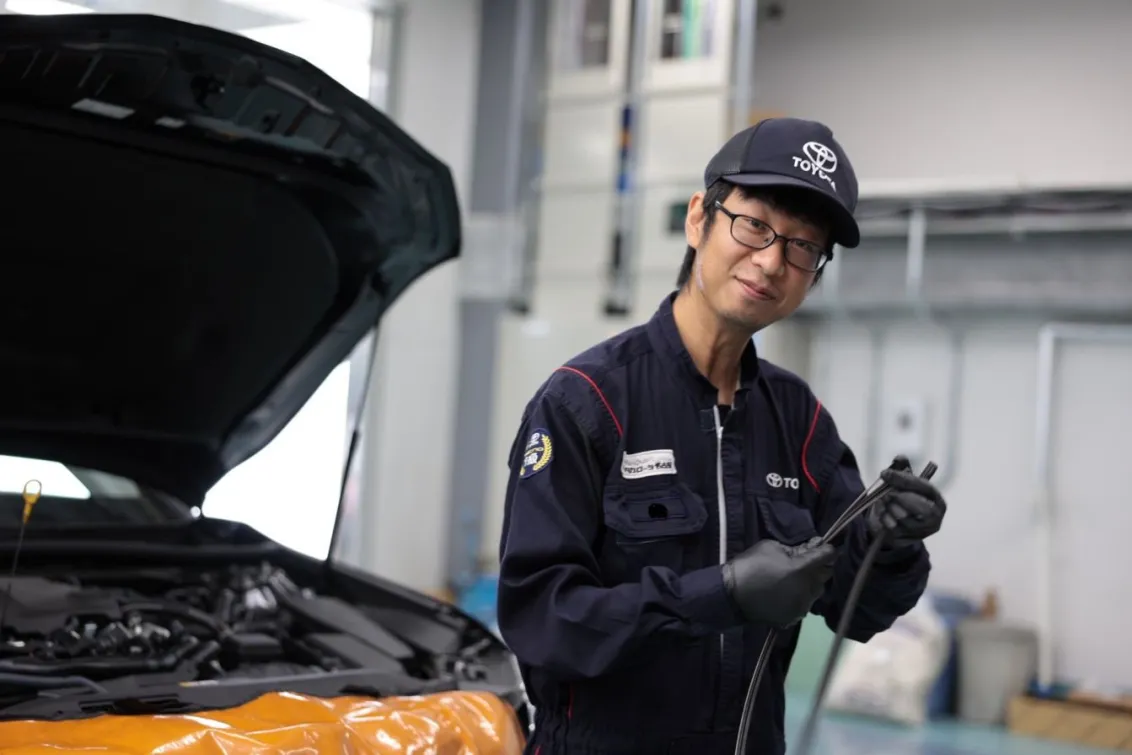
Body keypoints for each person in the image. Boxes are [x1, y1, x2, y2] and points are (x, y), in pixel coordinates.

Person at [496, 117, 947, 755]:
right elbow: (543, 620)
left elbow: (860, 611)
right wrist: (718, 595)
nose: (771, 261)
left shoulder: (799, 421)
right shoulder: (587, 403)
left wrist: (891, 544)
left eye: (803, 247)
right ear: (698, 219)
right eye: (754, 225)